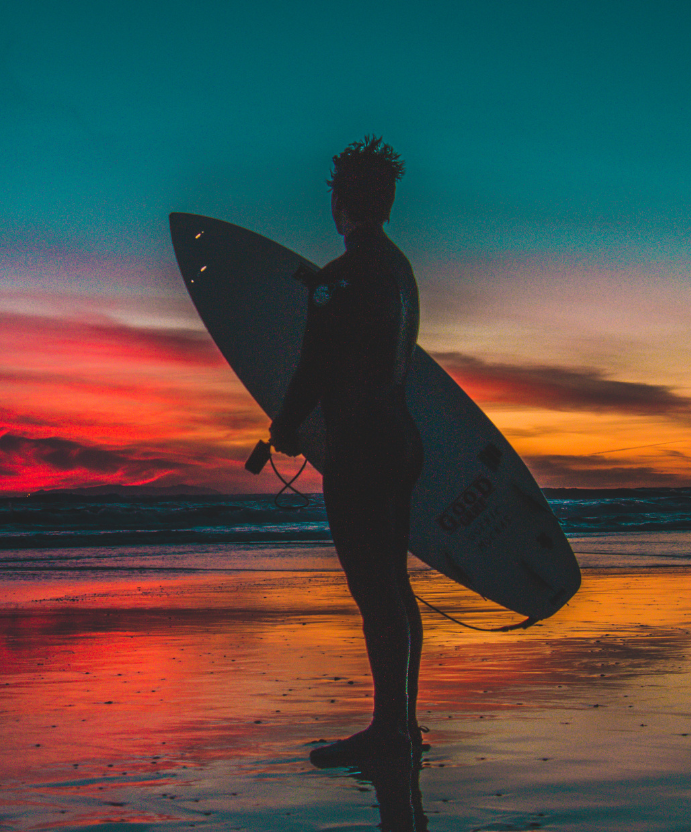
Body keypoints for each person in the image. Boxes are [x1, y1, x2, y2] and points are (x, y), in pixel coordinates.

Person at [269, 136, 425, 765]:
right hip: (398, 436)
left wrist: (285, 426)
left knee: (374, 592)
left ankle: (388, 733)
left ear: (344, 203)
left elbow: (315, 365)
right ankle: (401, 725)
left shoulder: (337, 278)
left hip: (360, 447)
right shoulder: (399, 272)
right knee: (395, 588)